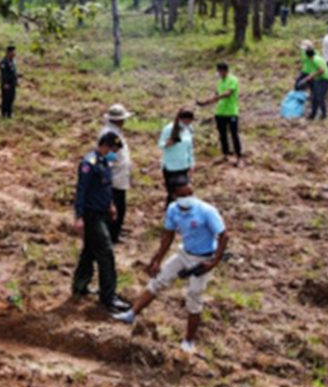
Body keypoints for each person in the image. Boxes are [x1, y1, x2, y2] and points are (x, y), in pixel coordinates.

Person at [113, 184, 228, 353]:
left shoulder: (206, 211)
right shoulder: (173, 209)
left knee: (194, 296)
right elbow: (168, 235)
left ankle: (189, 340)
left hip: (203, 258)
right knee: (158, 280)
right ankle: (132, 314)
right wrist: (157, 258)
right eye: (182, 195)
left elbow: (224, 236)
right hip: (184, 253)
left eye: (189, 193)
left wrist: (214, 262)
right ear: (175, 196)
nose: (187, 197)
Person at [72, 132, 131, 312]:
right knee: (106, 253)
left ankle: (80, 286)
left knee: (89, 250)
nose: (115, 153)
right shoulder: (88, 164)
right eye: (113, 149)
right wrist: (79, 217)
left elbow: (105, 187)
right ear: (105, 145)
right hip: (91, 215)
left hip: (102, 212)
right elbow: (81, 191)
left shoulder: (105, 162)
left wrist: (111, 204)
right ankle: (108, 297)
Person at [99, 104, 133, 244]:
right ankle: (112, 235)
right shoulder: (109, 134)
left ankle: (116, 232)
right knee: (116, 207)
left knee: (119, 206)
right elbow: (108, 156)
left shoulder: (115, 131)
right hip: (114, 176)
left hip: (120, 175)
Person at [197, 62, 242, 165]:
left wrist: (216, 98)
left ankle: (238, 156)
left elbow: (228, 93)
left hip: (231, 112)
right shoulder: (220, 82)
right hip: (220, 112)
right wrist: (206, 102)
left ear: (225, 70)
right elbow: (216, 94)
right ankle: (225, 154)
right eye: (218, 71)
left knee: (234, 134)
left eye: (220, 71)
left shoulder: (233, 80)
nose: (219, 73)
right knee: (222, 135)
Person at [159, 108, 195, 206]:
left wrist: (192, 163)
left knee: (183, 192)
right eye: (186, 120)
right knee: (172, 193)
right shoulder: (169, 129)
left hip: (183, 165)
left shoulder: (189, 129)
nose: (187, 123)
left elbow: (190, 148)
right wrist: (168, 143)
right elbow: (160, 144)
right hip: (170, 166)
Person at [301, 49, 328, 120]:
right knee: (314, 97)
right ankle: (312, 115)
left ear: (308, 56)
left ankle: (324, 115)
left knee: (320, 97)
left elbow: (321, 70)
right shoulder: (317, 58)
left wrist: (312, 76)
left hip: (324, 80)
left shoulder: (315, 60)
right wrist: (311, 76)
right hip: (319, 80)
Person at [0, 45, 20, 118]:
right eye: (13, 52)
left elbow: (14, 72)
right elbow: (4, 74)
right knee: (5, 99)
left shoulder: (13, 62)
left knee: (11, 98)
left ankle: (9, 113)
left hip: (12, 84)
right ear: (8, 52)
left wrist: (16, 81)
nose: (14, 53)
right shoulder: (3, 62)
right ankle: (4, 114)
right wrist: (5, 83)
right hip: (6, 84)